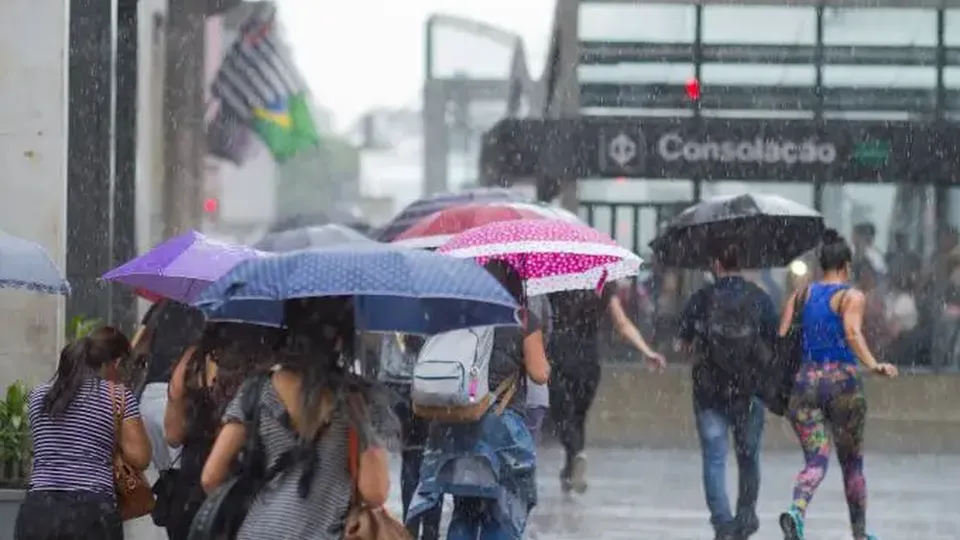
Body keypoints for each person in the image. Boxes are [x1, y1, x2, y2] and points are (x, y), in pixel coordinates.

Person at [201, 297, 392, 540]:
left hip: (258, 532)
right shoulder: (356, 400)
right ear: (340, 337)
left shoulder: (257, 389)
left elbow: (211, 477)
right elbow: (375, 493)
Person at [407, 259, 551, 540]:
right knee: (503, 511)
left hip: (458, 426)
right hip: (502, 430)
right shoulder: (522, 318)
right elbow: (539, 374)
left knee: (465, 509)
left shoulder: (460, 314)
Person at [776, 229, 898, 540]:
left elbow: (782, 336)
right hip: (843, 386)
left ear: (821, 265)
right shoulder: (851, 296)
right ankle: (860, 533)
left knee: (817, 458)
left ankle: (796, 510)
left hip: (805, 385)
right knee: (852, 464)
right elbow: (852, 332)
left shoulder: (800, 295)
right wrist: (873, 364)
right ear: (846, 266)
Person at [676, 245, 776, 540]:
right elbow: (775, 343)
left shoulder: (701, 298)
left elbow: (683, 344)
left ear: (717, 264)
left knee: (714, 458)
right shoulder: (760, 299)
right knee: (749, 457)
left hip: (709, 392)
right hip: (749, 392)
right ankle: (745, 517)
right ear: (741, 264)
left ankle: (722, 524)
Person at [15, 327, 152, 540]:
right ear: (114, 363)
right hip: (91, 512)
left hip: (38, 510)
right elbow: (141, 458)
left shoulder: (38, 396)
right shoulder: (118, 396)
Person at [162, 322, 280, 540]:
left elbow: (173, 435)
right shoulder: (265, 365)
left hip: (191, 488)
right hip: (239, 489)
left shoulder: (193, 360)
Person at [549, 283, 665, 494]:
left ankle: (576, 454)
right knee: (577, 417)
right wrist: (647, 351)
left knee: (563, 416)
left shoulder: (553, 280)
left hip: (558, 359)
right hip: (589, 362)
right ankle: (570, 469)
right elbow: (622, 323)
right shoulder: (599, 282)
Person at [379, 332, 441, 540]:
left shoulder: (391, 313)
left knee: (415, 458)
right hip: (426, 379)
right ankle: (425, 530)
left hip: (401, 379)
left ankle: (413, 528)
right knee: (429, 458)